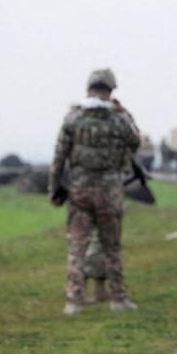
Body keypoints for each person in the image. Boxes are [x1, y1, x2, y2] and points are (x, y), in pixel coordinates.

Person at [49, 68, 141, 316]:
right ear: (110, 91)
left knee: (77, 248)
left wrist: (54, 189)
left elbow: (58, 158)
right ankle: (118, 299)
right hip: (109, 193)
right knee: (112, 247)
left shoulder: (73, 117)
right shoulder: (118, 119)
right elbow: (135, 142)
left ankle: (73, 302)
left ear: (88, 89)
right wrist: (124, 113)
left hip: (79, 192)